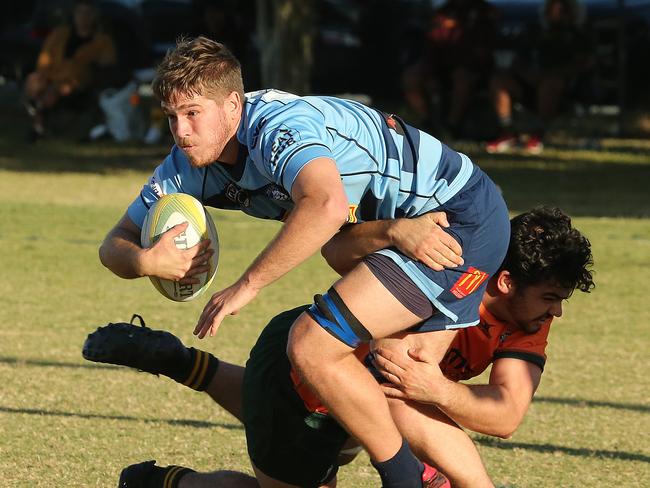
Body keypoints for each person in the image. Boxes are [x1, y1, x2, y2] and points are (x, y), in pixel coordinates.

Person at [98, 36, 509, 487]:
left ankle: (407, 479)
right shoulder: (189, 164)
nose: (181, 131)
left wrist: (247, 285)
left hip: (454, 216)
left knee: (319, 347)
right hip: (394, 233)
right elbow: (112, 244)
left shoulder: (278, 127)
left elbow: (326, 204)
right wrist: (144, 260)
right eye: (171, 117)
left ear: (232, 105)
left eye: (193, 113)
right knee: (391, 376)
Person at [85, 206, 594, 487]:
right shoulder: (446, 261)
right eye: (550, 298)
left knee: (362, 413)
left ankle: (178, 360)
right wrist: (393, 231)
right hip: (301, 369)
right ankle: (168, 484)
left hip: (342, 401)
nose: (556, 313)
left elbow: (504, 416)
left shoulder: (528, 317)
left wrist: (435, 388)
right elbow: (337, 245)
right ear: (504, 282)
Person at [485, 0, 594, 154]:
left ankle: (539, 134)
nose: (556, 13)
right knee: (499, 80)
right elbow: (517, 61)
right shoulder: (535, 33)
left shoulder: (579, 37)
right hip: (530, 85)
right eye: (552, 9)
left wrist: (551, 74)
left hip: (563, 92)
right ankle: (507, 131)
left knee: (551, 82)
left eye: (562, 9)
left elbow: (584, 65)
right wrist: (529, 74)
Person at [23, 0, 117, 140]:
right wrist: (44, 74)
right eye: (80, 12)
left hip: (75, 82)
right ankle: (39, 120)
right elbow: (44, 59)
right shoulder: (60, 34)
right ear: (74, 14)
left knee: (56, 90)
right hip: (50, 74)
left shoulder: (102, 41)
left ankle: (38, 125)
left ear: (94, 16)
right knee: (34, 81)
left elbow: (107, 65)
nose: (83, 17)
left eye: (88, 13)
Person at [401, 0, 497, 137]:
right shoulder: (443, 13)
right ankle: (428, 122)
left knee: (461, 77)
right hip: (440, 66)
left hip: (470, 67)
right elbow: (431, 45)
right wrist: (430, 71)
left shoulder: (484, 12)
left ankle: (452, 125)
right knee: (411, 77)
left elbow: (483, 49)